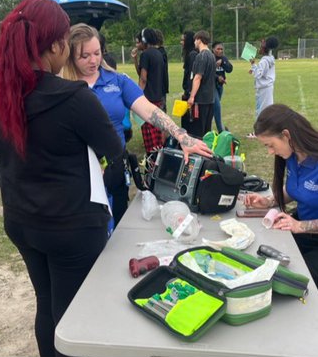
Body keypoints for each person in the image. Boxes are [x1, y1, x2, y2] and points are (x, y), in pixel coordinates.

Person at [0, 0, 124, 357]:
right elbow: (114, 147)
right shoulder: (74, 98)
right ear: (58, 46)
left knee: (46, 302)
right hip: (70, 227)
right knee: (74, 315)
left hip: (21, 220)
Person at [63, 23, 211, 225]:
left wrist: (181, 136)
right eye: (84, 56)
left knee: (116, 230)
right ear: (70, 56)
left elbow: (150, 110)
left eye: (97, 53)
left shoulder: (116, 81)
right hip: (78, 175)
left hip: (114, 170)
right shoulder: (62, 86)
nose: (93, 60)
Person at [241, 104, 318, 291]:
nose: (269, 152)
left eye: (270, 145)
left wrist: (299, 226)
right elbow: (296, 189)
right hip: (306, 238)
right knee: (257, 258)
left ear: (286, 135)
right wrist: (268, 201)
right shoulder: (294, 156)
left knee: (280, 283)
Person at [135, 28, 170, 153]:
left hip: (148, 98)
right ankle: (159, 159)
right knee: (157, 131)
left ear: (144, 40)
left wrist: (137, 96)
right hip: (158, 98)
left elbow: (143, 78)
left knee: (149, 135)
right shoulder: (159, 53)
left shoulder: (146, 54)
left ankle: (152, 161)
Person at [188, 29, 219, 137]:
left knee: (198, 131)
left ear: (199, 40)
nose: (194, 43)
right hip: (210, 98)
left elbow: (197, 77)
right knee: (207, 130)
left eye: (195, 40)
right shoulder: (212, 56)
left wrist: (192, 96)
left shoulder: (201, 56)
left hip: (201, 99)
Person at [252, 36, 279, 114]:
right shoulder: (271, 58)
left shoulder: (264, 61)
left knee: (263, 112)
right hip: (267, 87)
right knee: (267, 109)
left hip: (263, 88)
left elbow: (258, 74)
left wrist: (253, 64)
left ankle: (262, 126)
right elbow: (263, 72)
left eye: (261, 46)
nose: (260, 48)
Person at [212, 42, 234, 133]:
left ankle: (206, 128)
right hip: (212, 86)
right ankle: (222, 131)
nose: (220, 51)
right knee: (217, 107)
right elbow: (207, 72)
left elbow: (229, 69)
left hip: (220, 86)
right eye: (218, 49)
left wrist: (223, 62)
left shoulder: (223, 58)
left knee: (213, 109)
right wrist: (217, 77)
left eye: (221, 49)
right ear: (213, 49)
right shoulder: (210, 57)